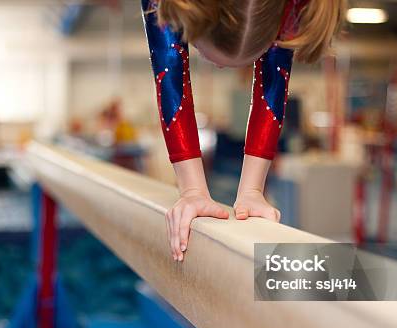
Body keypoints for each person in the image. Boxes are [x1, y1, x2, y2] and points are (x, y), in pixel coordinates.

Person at [141, 0, 345, 261]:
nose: (222, 69)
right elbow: (169, 69)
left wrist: (252, 191)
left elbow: (274, 78)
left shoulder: (290, 6)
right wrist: (192, 190)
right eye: (207, 53)